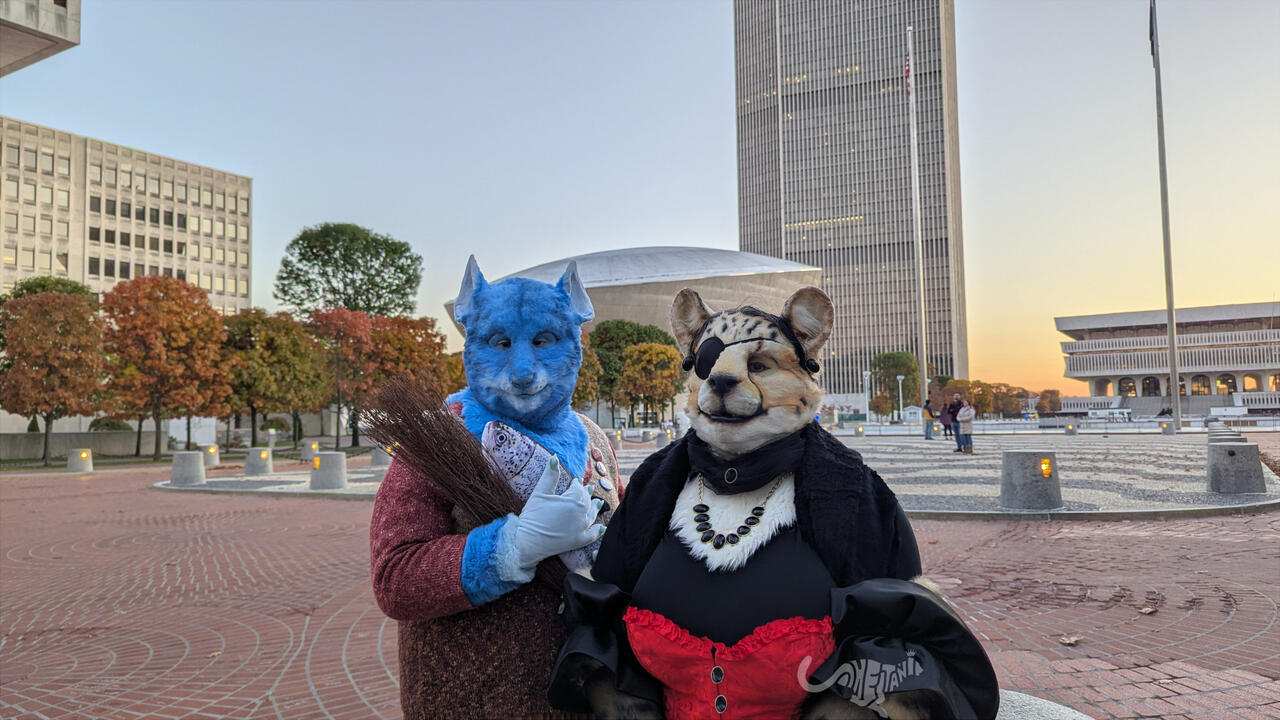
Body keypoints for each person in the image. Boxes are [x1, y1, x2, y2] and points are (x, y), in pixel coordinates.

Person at [368, 257, 620, 718]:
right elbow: (395, 580)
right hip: (471, 698)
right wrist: (512, 548)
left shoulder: (595, 439)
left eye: (543, 341)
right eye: (499, 342)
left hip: (586, 695)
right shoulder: (437, 440)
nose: (522, 369)